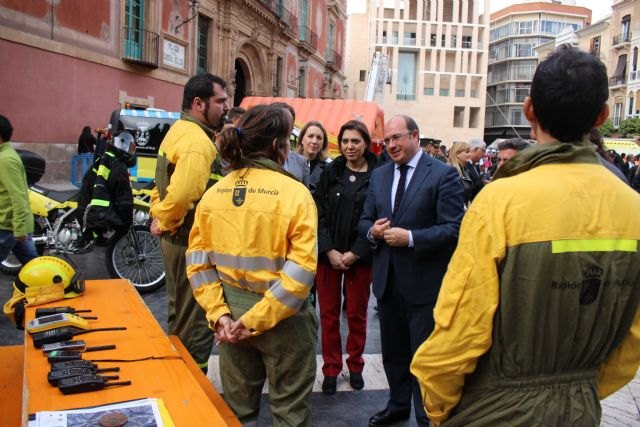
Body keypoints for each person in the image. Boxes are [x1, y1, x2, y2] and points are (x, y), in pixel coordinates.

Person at [411, 44, 640, 426]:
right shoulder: (633, 207)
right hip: (579, 408)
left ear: (529, 109)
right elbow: (631, 341)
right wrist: (577, 389)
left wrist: (438, 407)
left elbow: (461, 327)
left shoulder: (500, 201)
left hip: (492, 409)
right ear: (601, 115)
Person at [185, 104, 318, 426]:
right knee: (290, 413)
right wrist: (255, 319)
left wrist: (221, 317)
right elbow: (300, 273)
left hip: (231, 317)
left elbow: (197, 263)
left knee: (237, 413)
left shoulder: (214, 194)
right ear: (278, 145)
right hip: (284, 321)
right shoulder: (295, 195)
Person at [359, 115, 465, 427]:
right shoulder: (380, 176)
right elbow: (365, 219)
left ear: (415, 136)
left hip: (424, 285)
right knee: (392, 353)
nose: (390, 145)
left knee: (424, 356)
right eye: (387, 140)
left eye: (397, 138)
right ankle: (397, 405)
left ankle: (425, 414)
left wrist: (412, 238)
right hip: (388, 283)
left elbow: (454, 228)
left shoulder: (442, 175)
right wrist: (373, 232)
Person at [150, 73, 229, 371]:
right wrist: (166, 220)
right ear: (199, 103)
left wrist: (160, 217)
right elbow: (182, 195)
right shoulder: (198, 142)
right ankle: (191, 380)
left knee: (178, 312)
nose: (225, 107)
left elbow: (161, 187)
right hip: (188, 243)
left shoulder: (179, 131)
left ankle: (179, 372)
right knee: (194, 319)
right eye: (220, 101)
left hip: (177, 239)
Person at [314, 120, 379, 395]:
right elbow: (318, 212)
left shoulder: (379, 175)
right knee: (328, 316)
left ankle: (355, 366)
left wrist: (355, 253)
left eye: (355, 141)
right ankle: (330, 367)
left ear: (366, 143)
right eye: (345, 141)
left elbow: (379, 217)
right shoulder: (331, 171)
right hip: (328, 257)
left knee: (356, 315)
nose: (349, 146)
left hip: (359, 258)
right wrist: (328, 250)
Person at [76, 131, 136, 251]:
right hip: (97, 211)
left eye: (131, 148)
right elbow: (123, 197)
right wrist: (126, 221)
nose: (127, 150)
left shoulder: (105, 158)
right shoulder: (117, 165)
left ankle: (93, 235)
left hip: (89, 206)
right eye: (126, 146)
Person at [0, 115, 38, 266]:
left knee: (34, 266)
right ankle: (49, 287)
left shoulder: (5, 160)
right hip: (12, 226)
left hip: (7, 227)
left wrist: (19, 228)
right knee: (34, 267)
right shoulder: (5, 155)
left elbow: (18, 196)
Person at [297, 120, 329, 193]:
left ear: (323, 143)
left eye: (319, 138)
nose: (314, 141)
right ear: (302, 139)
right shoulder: (289, 163)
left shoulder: (328, 170)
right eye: (310, 136)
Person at [447, 141, 473, 207]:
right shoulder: (451, 171)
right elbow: (451, 197)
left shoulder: (464, 170)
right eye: (467, 152)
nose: (470, 154)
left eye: (470, 151)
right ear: (457, 154)